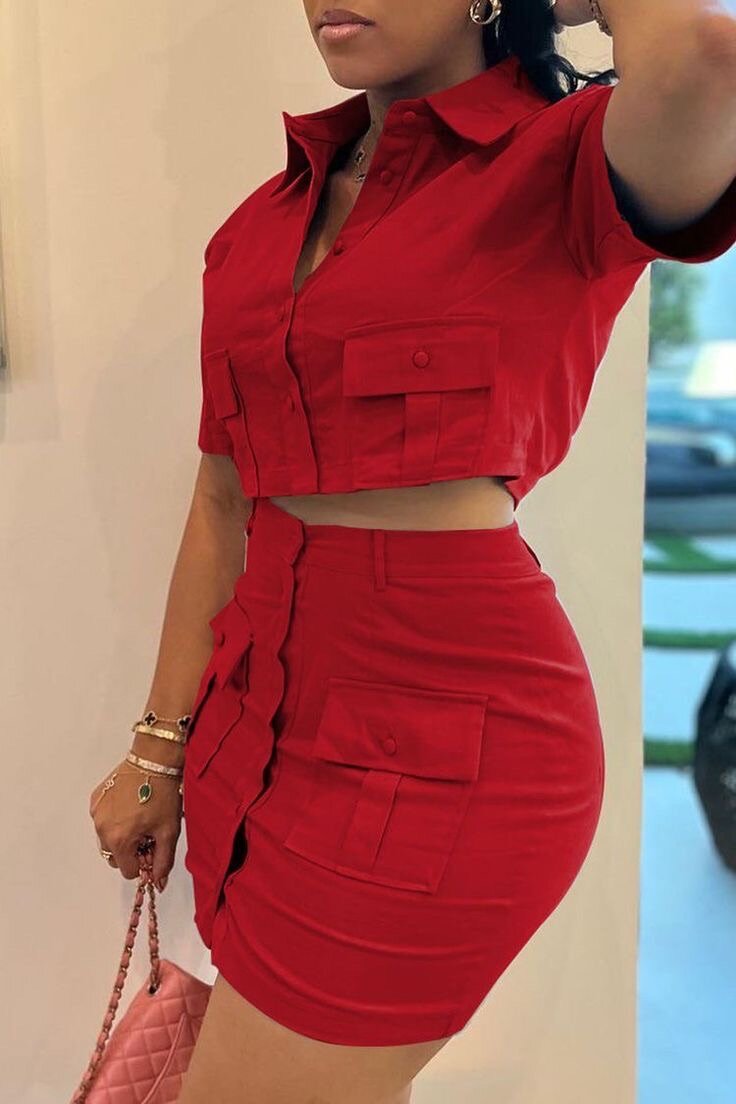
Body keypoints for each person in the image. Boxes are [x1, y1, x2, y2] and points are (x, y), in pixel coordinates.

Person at [89, 1, 736, 1101]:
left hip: (447, 750)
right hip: (262, 730)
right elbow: (224, 495)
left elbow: (704, 55)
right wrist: (159, 747)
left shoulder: (561, 164)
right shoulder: (260, 224)